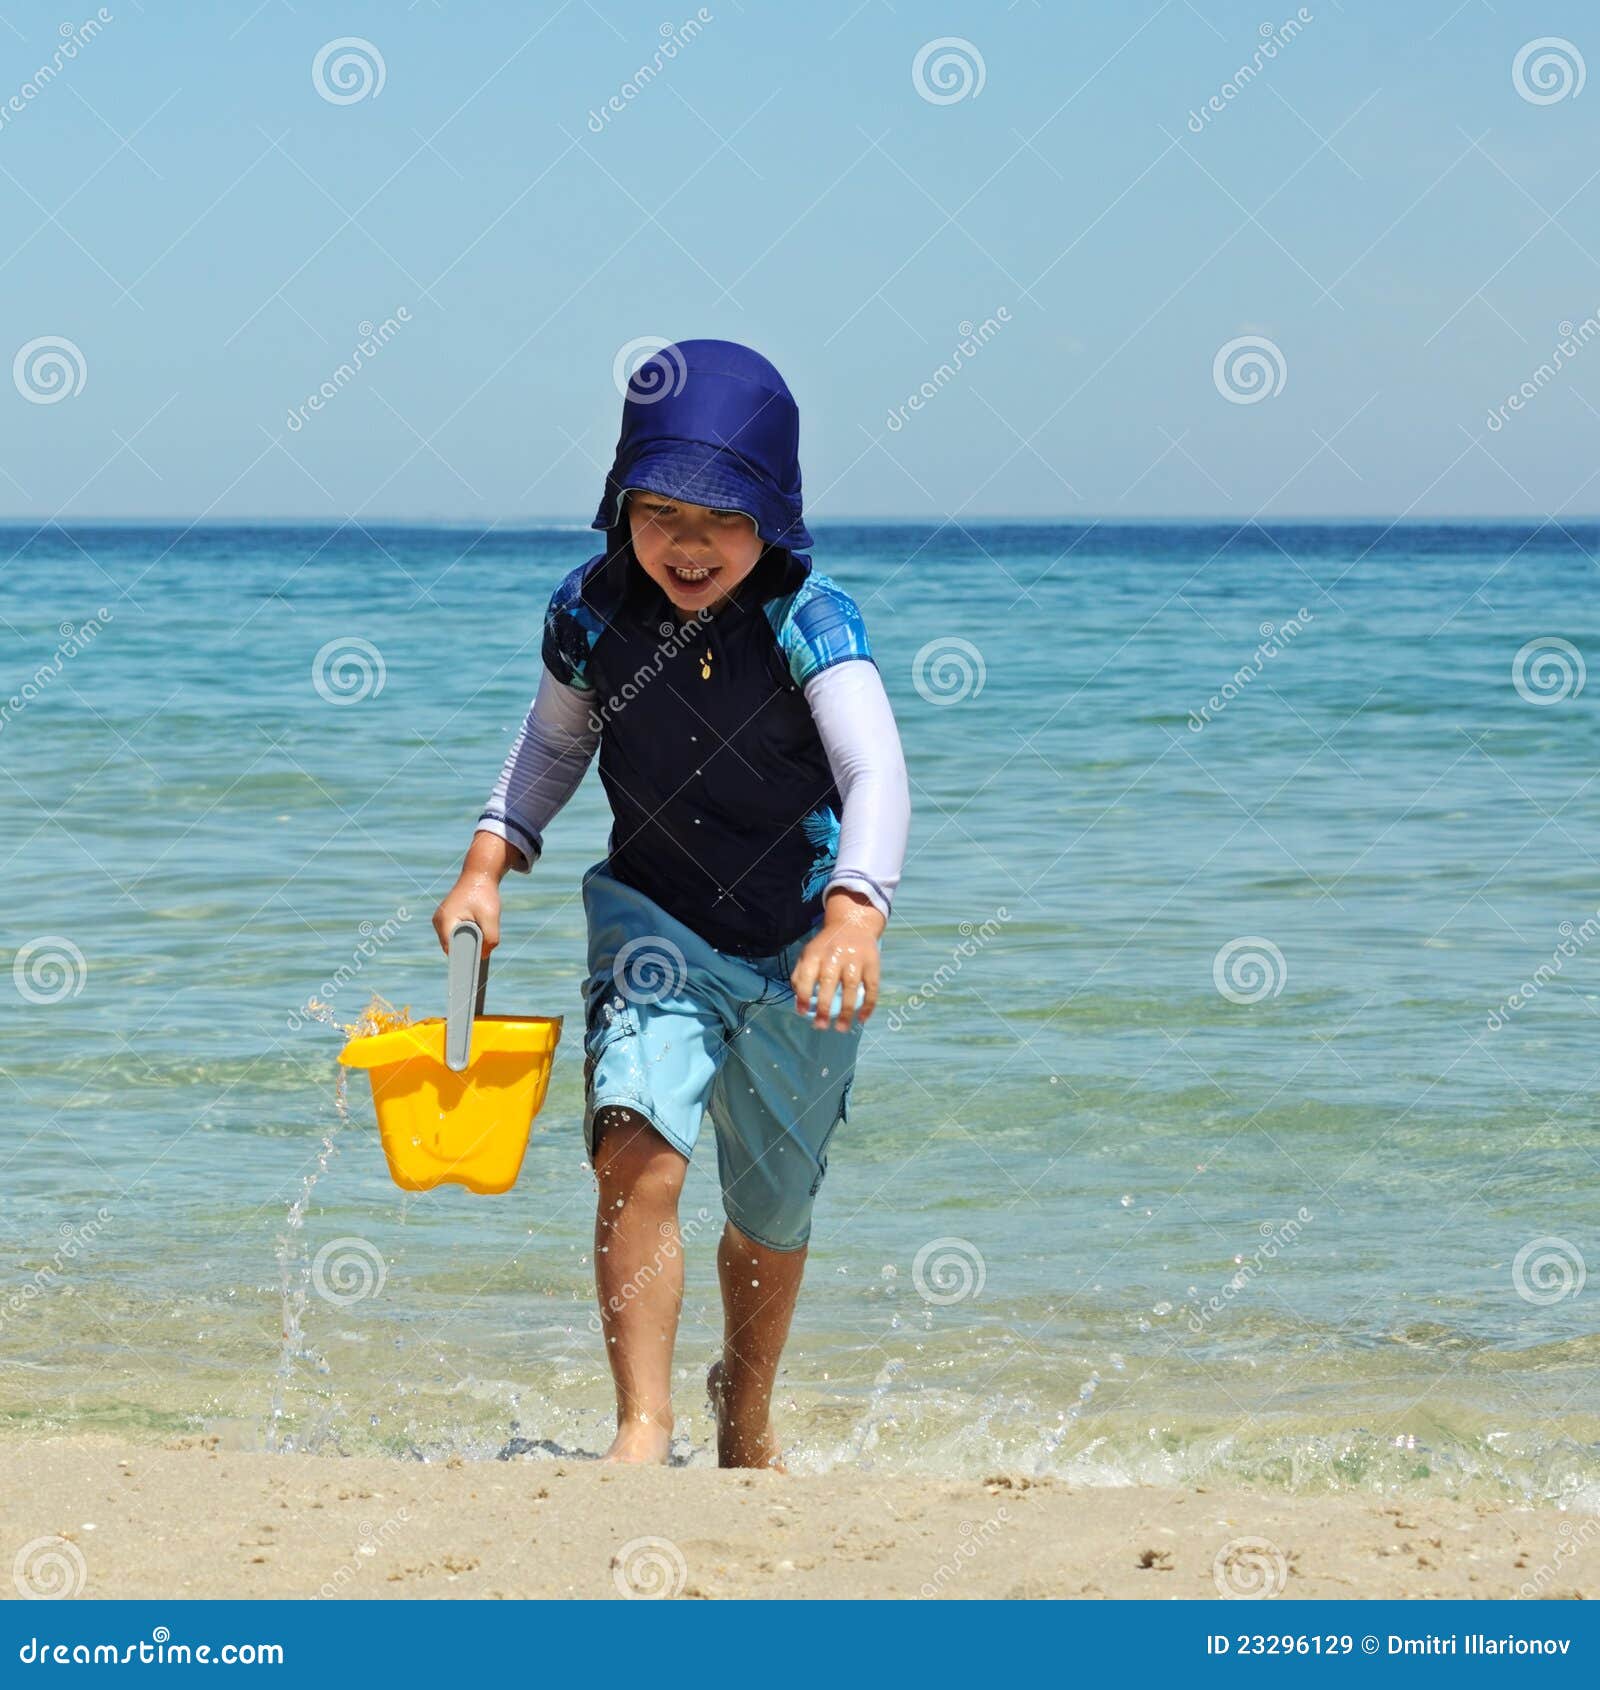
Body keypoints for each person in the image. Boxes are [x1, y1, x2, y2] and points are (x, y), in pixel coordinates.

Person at [433, 339, 910, 1468]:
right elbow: (551, 746)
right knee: (634, 1143)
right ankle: (640, 1425)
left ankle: (742, 1409)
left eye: (722, 520)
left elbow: (875, 773)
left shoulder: (810, 619)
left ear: (774, 519)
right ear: (619, 504)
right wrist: (486, 863)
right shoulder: (592, 612)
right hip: (655, 923)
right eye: (660, 514)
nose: (688, 547)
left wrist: (854, 914)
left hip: (803, 942)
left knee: (770, 1211)